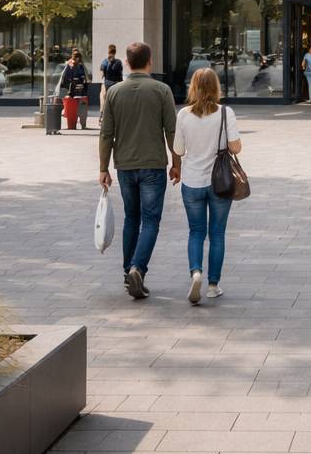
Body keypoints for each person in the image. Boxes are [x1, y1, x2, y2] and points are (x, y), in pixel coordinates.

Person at [98, 41, 178, 300]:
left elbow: (106, 134)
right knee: (151, 220)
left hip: (125, 165)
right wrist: (177, 163)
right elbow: (171, 131)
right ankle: (137, 268)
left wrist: (103, 168)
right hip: (153, 165)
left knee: (131, 218)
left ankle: (127, 273)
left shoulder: (114, 92)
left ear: (128, 62)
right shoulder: (162, 90)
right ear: (150, 61)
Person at [171, 66, 241, 305]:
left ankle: (196, 272)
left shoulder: (183, 115)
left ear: (193, 87)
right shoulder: (225, 113)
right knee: (217, 233)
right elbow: (236, 147)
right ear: (216, 87)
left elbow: (178, 150)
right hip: (220, 182)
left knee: (196, 232)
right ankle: (213, 285)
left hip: (192, 181)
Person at [61, 49, 89, 130]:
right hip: (74, 93)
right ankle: (74, 125)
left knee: (80, 110)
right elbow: (66, 79)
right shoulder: (70, 66)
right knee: (77, 111)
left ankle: (78, 125)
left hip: (78, 93)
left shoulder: (80, 66)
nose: (78, 60)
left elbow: (85, 78)